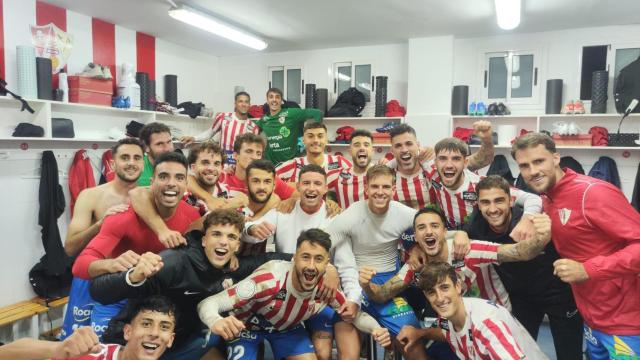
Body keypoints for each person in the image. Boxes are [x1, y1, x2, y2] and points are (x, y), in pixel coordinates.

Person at [89, 209, 292, 359]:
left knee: (215, 342)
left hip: (181, 342)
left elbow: (272, 258)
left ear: (237, 245)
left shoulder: (231, 266)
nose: (223, 242)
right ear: (204, 240)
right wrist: (134, 276)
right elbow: (98, 291)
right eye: (216, 234)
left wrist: (324, 266)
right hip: (138, 343)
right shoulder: (174, 263)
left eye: (231, 237)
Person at [359, 206, 552, 358]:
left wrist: (543, 234)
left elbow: (520, 252)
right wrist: (366, 284)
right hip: (456, 328)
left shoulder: (468, 250)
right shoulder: (415, 265)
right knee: (418, 347)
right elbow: (382, 294)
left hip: (491, 324)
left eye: (434, 226)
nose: (428, 232)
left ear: (445, 231)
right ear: (416, 237)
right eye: (421, 228)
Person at [511, 132, 640, 358]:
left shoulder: (593, 193)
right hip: (591, 315)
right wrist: (529, 217)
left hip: (626, 320)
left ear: (556, 158)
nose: (532, 171)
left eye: (539, 161)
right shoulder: (547, 198)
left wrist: (586, 269)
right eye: (524, 166)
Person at [197, 228, 392, 360]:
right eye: (305, 257)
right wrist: (215, 321)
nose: (311, 266)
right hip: (246, 328)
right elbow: (208, 304)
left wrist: (376, 329)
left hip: (287, 330)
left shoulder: (326, 287)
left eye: (318, 259)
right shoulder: (268, 280)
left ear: (327, 263)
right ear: (294, 258)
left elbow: (354, 315)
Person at [72, 152, 199, 339]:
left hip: (156, 301)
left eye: (179, 178)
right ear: (151, 182)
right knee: (106, 352)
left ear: (185, 184)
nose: (171, 183)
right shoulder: (122, 217)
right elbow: (80, 266)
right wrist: (111, 264)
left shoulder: (191, 216)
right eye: (164, 177)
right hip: (117, 298)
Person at [242, 164, 360, 360]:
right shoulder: (283, 210)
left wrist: (353, 298)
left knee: (324, 352)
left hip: (319, 296)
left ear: (325, 188)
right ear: (298, 186)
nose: (311, 188)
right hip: (283, 297)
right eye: (306, 183)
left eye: (317, 184)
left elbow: (347, 265)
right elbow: (252, 230)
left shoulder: (335, 217)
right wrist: (251, 230)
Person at [464, 175, 583, 360]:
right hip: (521, 298)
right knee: (520, 353)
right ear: (478, 205)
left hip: (558, 292)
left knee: (569, 354)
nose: (493, 209)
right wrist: (460, 235)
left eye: (499, 201)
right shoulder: (475, 227)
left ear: (511, 200)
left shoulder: (532, 220)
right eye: (485, 202)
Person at [60, 138, 144, 339]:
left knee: (127, 342)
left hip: (134, 281)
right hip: (93, 278)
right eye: (125, 157)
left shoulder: (149, 197)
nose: (131, 163)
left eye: (137, 158)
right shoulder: (91, 196)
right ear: (113, 163)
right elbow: (70, 248)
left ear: (143, 163)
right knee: (80, 343)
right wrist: (100, 224)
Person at [418, 262, 549, 360]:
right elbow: (444, 330)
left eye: (444, 288)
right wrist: (419, 334)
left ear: (458, 287)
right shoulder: (449, 319)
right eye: (431, 292)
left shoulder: (485, 322)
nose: (440, 298)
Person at [0, 295, 177, 360]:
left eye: (164, 327)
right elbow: (5, 354)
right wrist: (58, 348)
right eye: (146, 324)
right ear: (128, 331)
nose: (154, 333)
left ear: (170, 339)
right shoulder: (93, 355)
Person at [387, 122, 494, 210]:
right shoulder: (386, 173)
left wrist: (487, 140)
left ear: (418, 145)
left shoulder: (434, 168)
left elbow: (481, 160)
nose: (404, 150)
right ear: (392, 151)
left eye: (409, 144)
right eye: (398, 146)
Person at [180, 91, 259, 166]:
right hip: (223, 166)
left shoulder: (253, 128)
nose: (243, 104)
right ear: (235, 104)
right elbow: (210, 133)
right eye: (240, 101)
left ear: (249, 105)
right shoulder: (223, 117)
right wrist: (194, 138)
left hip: (241, 168)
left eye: (246, 102)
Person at [256, 87, 323, 164]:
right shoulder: (264, 119)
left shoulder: (291, 113)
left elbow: (317, 113)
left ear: (281, 101)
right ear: (267, 101)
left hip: (291, 163)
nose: (274, 100)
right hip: (272, 165)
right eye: (271, 97)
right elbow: (253, 130)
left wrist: (315, 135)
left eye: (277, 97)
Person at [183, 141, 247, 215]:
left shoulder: (225, 190)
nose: (211, 168)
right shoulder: (184, 195)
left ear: (222, 168)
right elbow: (191, 225)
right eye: (205, 163)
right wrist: (227, 207)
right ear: (193, 167)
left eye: (216, 164)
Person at [275, 122, 352, 184]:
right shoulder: (293, 165)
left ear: (326, 140)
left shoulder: (340, 163)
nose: (315, 140)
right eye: (310, 136)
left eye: (320, 136)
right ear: (303, 140)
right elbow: (267, 178)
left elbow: (360, 177)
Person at [327, 129, 375, 209]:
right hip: (345, 221)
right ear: (350, 151)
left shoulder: (382, 174)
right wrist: (329, 201)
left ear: (372, 151)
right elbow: (316, 189)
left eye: (366, 145)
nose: (362, 148)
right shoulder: (338, 175)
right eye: (357, 145)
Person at [137, 122, 174, 186]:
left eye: (169, 142)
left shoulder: (178, 165)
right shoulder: (137, 169)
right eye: (159, 144)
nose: (167, 148)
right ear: (146, 147)